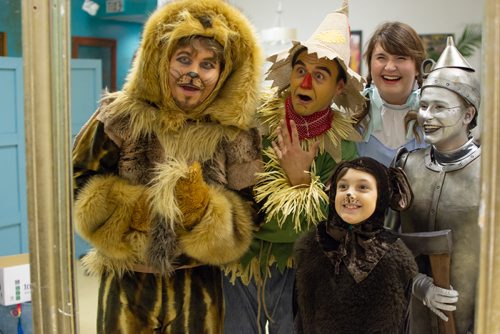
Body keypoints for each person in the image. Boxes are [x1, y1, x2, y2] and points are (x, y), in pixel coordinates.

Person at [72, 0, 263, 333]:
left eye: (208, 64)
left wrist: (207, 212)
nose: (193, 73)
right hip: (126, 281)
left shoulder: (236, 134)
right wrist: (132, 212)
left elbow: (252, 209)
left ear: (222, 74)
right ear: (162, 60)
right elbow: (77, 181)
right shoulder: (119, 115)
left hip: (199, 283)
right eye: (184, 59)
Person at [223, 3, 365, 333]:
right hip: (240, 261)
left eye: (320, 76)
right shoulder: (256, 116)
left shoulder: (342, 144)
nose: (305, 82)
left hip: (298, 268)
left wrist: (300, 178)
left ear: (339, 87)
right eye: (301, 71)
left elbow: (343, 218)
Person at [391, 37, 481, 334]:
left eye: (440, 108)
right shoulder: (405, 165)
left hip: (475, 320)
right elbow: (383, 240)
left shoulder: (490, 174)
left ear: (468, 114)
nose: (426, 116)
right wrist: (419, 285)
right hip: (411, 318)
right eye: (424, 106)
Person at [294, 157, 417, 333]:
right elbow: (301, 318)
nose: (350, 194)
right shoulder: (313, 246)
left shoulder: (394, 256)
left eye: (363, 187)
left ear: (381, 196)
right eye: (343, 186)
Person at [355, 21, 427, 166]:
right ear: (370, 65)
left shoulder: (433, 115)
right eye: (381, 58)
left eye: (401, 58)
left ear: (418, 67)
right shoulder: (351, 113)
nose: (390, 67)